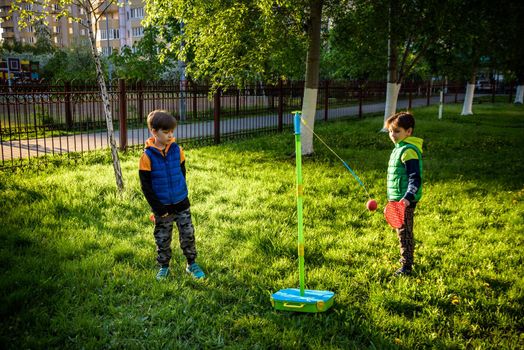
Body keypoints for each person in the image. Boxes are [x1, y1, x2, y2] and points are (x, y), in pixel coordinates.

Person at [139, 110, 205, 280]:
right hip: (162, 208)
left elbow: (182, 173)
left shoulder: (178, 150)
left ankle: (192, 264)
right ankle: (164, 266)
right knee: (163, 238)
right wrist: (158, 208)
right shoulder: (146, 157)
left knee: (188, 234)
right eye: (166, 132)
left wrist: (181, 194)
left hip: (181, 202)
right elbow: (146, 187)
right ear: (154, 131)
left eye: (172, 132)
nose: (170, 135)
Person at [384, 111, 423, 276]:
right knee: (402, 231)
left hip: (404, 200)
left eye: (397, 131)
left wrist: (407, 197)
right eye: (391, 131)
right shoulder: (398, 149)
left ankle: (406, 267)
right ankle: (406, 262)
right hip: (397, 199)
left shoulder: (408, 151)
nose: (393, 134)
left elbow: (415, 178)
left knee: (405, 233)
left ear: (409, 131)